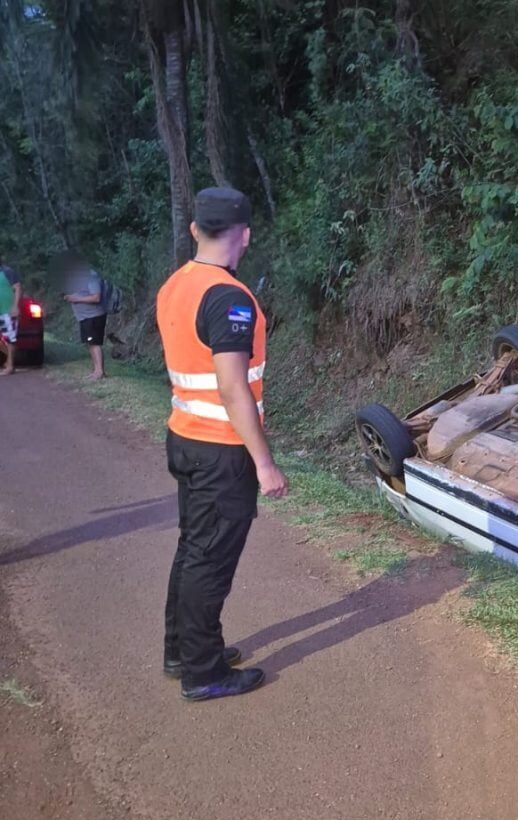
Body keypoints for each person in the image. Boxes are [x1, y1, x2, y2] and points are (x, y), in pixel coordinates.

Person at [156, 187, 289, 702]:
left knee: (194, 549)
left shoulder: (176, 286)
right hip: (220, 448)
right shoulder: (228, 297)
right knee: (209, 559)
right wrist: (264, 464)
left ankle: (183, 651)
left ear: (194, 230)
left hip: (186, 437)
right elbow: (233, 387)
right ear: (246, 235)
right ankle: (204, 672)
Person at [62, 253, 108, 380]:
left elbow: (96, 297)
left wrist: (76, 298)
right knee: (90, 343)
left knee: (95, 343)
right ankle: (96, 370)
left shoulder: (91, 276)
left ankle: (100, 372)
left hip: (94, 316)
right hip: (85, 317)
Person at [0, 260, 20, 375]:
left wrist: (15, 306)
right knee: (4, 339)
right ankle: (7, 362)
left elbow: (17, 288)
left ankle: (10, 366)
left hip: (7, 310)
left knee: (10, 338)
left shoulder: (7, 271)